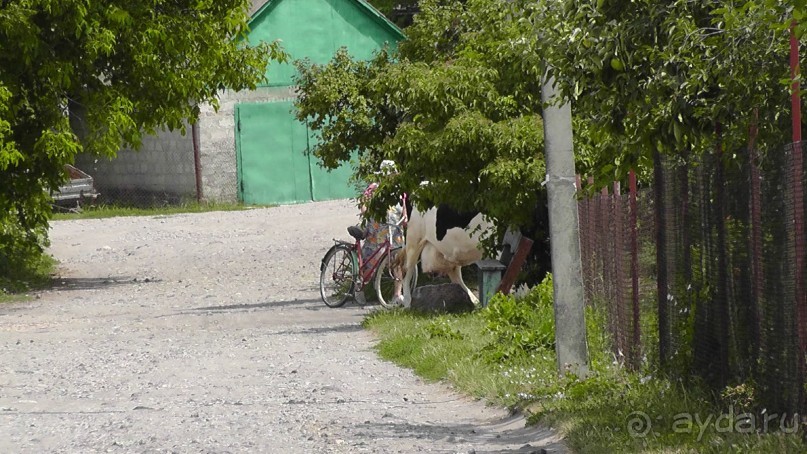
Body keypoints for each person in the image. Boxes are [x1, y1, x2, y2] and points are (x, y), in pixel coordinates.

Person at [358, 161, 406, 304]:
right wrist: (369, 212)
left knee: (397, 263)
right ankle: (359, 288)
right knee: (370, 263)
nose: (392, 177)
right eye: (390, 175)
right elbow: (363, 206)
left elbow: (404, 211)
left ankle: (397, 295)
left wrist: (405, 219)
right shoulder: (373, 188)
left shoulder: (399, 191)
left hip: (395, 232)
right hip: (377, 233)